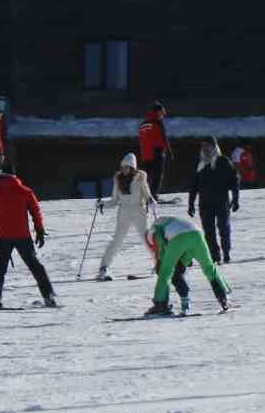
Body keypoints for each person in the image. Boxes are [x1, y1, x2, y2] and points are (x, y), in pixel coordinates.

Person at [0, 163, 56, 308]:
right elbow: (36, 211)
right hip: (23, 236)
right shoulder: (25, 191)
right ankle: (48, 295)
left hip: (3, 237)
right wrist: (39, 231)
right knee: (35, 266)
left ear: (1, 176)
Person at [145, 214, 231, 316]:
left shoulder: (152, 229)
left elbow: (159, 241)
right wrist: (183, 262)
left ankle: (160, 304)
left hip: (179, 238)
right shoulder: (172, 220)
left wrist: (159, 260)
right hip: (198, 235)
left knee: (165, 272)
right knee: (209, 268)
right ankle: (223, 297)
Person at [95, 153, 156, 281]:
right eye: (122, 167)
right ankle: (104, 268)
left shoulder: (140, 178)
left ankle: (159, 264)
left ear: (132, 167)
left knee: (147, 239)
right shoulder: (118, 179)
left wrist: (151, 201)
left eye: (126, 167)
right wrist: (103, 205)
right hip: (124, 213)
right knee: (116, 241)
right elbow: (114, 200)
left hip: (139, 212)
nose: (123, 169)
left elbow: (147, 195)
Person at [188, 137, 241, 263]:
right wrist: (191, 203)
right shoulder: (200, 163)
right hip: (205, 203)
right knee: (209, 231)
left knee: (224, 228)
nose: (205, 148)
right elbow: (193, 185)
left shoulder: (223, 161)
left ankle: (226, 253)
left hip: (221, 201)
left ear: (214, 146)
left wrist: (236, 198)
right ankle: (215, 256)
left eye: (207, 145)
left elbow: (235, 180)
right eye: (203, 146)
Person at [137, 102, 173, 196]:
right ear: (157, 112)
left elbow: (143, 141)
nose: (163, 115)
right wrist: (169, 152)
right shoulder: (157, 123)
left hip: (145, 155)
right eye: (162, 112)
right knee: (157, 177)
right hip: (157, 153)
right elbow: (163, 139)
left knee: (146, 177)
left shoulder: (142, 124)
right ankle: (153, 197)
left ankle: (144, 195)